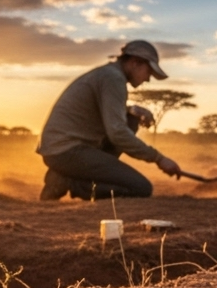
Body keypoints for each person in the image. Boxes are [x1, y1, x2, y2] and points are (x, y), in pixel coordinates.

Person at [36, 40, 185, 200]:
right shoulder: (113, 78)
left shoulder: (109, 75)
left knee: (132, 119)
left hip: (64, 150)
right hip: (66, 151)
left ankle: (68, 176)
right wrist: (159, 158)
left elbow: (107, 110)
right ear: (135, 62)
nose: (148, 79)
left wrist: (131, 110)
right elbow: (117, 133)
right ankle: (69, 181)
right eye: (148, 71)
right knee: (140, 188)